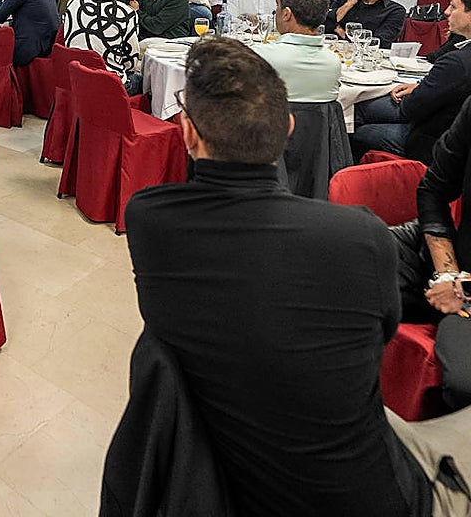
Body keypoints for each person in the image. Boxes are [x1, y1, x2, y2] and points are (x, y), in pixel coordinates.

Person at [122, 37, 471, 517]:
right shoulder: (358, 237)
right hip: (376, 494)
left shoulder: (148, 220)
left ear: (187, 133)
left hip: (220, 472)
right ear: (288, 128)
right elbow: (380, 330)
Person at [352, 0, 471, 164]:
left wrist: (421, 91)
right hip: (453, 134)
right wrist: (420, 87)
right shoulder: (459, 53)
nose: (446, 12)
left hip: (435, 142)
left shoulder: (457, 62)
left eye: (453, 7)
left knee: (357, 122)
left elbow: (411, 109)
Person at [417, 96, 471, 411]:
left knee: (465, 383)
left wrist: (464, 290)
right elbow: (434, 189)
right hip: (453, 264)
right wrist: (448, 274)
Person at [251, 0, 341, 102]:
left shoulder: (260, 56)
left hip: (274, 121)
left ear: (286, 14)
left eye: (277, 5)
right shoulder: (333, 63)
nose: (275, 11)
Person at [64, 0, 140, 92]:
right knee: (141, 78)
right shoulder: (127, 13)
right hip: (109, 84)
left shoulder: (73, 3)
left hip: (75, 76)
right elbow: (130, 63)